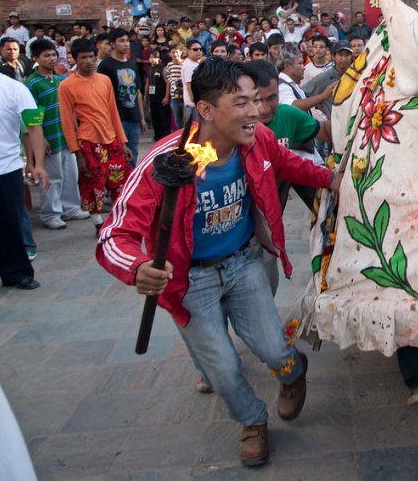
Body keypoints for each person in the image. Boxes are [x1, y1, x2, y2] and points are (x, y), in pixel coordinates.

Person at [95, 57, 340, 467]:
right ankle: (252, 421)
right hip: (189, 283)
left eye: (255, 101)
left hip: (244, 263)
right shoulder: (165, 162)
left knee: (275, 351)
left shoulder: (257, 139)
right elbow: (113, 234)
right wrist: (138, 267)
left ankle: (293, 373)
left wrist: (331, 177)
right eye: (240, 103)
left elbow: (287, 162)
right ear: (206, 110)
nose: (255, 112)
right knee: (222, 370)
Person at [0, 33, 47, 301]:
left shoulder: (14, 89)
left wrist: (37, 164)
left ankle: (17, 272)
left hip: (6, 170)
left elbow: (33, 126)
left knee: (9, 224)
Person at [58, 39, 132, 233]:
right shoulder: (66, 85)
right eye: (83, 57)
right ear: (75, 59)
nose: (88, 61)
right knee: (93, 182)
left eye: (91, 56)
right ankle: (98, 222)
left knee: (120, 180)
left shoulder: (104, 80)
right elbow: (67, 122)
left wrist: (123, 141)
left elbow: (113, 111)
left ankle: (121, 219)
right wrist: (77, 152)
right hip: (88, 141)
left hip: (111, 138)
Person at [247, 59, 331, 211]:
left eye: (272, 98)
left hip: (275, 205)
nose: (265, 109)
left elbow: (325, 131)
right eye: (257, 100)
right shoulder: (235, 128)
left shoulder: (287, 114)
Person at [25, 38, 88, 230]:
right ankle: (50, 213)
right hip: (48, 137)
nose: (52, 59)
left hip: (66, 135)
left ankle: (70, 208)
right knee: (53, 177)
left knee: (70, 173)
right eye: (46, 55)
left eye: (53, 54)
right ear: (36, 58)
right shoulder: (32, 83)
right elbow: (31, 116)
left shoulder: (62, 79)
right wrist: (41, 139)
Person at [98, 28, 146, 166]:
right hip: (117, 118)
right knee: (117, 155)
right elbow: (103, 95)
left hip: (134, 117)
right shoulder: (105, 65)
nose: (126, 44)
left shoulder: (132, 63)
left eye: (127, 41)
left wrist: (142, 118)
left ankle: (129, 184)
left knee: (133, 154)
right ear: (112, 44)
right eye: (121, 41)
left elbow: (137, 92)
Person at [145, 51, 172, 140]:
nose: (152, 59)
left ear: (158, 59)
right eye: (151, 57)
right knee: (155, 117)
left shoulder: (162, 68)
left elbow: (168, 83)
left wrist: (166, 97)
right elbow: (147, 84)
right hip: (153, 98)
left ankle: (165, 137)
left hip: (162, 97)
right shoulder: (149, 70)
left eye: (154, 57)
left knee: (163, 117)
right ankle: (157, 136)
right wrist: (145, 96)